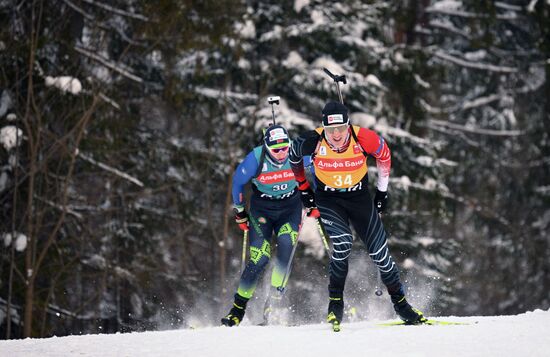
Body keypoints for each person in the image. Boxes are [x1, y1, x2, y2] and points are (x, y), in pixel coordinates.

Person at [289, 101, 426, 330]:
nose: (336, 134)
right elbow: (293, 157)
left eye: (341, 128)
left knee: (380, 253)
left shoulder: (364, 138)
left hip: (359, 199)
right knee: (342, 243)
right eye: (330, 129)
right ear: (323, 127)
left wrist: (382, 191)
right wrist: (304, 189)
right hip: (329, 200)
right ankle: (335, 303)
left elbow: (384, 156)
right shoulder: (311, 140)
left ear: (348, 125)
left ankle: (402, 305)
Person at [221, 124, 303, 327]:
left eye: (285, 147)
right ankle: (237, 310)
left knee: (286, 247)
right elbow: (238, 182)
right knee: (259, 258)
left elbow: (320, 167)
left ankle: (273, 305)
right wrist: (240, 211)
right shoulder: (256, 158)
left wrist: (316, 197)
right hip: (262, 212)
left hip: (290, 210)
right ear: (267, 147)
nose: (282, 153)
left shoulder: (297, 152)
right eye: (276, 149)